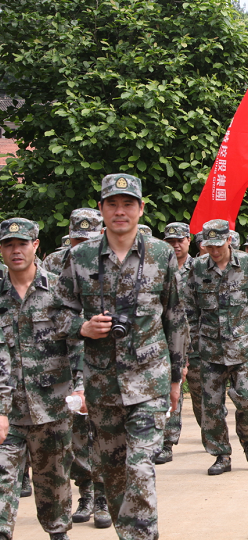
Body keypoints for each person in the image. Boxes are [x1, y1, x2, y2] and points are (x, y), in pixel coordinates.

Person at [57, 173, 188, 539]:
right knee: (112, 473)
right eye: (112, 204)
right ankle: (130, 533)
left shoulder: (161, 254)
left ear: (140, 208)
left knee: (140, 466)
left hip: (150, 382)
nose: (120, 211)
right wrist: (82, 328)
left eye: (127, 204)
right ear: (101, 209)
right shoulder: (79, 257)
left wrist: (176, 378)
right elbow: (58, 313)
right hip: (102, 385)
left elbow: (175, 318)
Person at [0, 218, 81, 540]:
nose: (15, 250)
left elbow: (77, 342)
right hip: (8, 413)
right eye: (8, 244)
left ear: (36, 245)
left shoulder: (59, 290)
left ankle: (58, 533)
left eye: (22, 244)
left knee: (53, 483)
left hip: (52, 407)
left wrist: (81, 387)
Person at [186, 219, 248, 475]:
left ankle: (247, 438)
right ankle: (221, 455)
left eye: (219, 245)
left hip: (243, 351)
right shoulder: (197, 268)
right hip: (209, 352)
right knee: (212, 408)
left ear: (229, 240)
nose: (215, 252)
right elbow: (188, 309)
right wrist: (190, 345)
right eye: (210, 246)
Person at [39, 208, 111, 527]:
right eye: (77, 239)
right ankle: (86, 492)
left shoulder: (111, 264)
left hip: (100, 356)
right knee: (74, 431)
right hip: (61, 355)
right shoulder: (53, 263)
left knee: (103, 427)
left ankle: (105, 495)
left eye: (89, 239)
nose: (82, 245)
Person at [156, 222, 194, 465]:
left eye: (180, 240)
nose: (176, 245)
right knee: (174, 383)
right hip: (168, 336)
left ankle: (210, 431)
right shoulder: (156, 268)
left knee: (201, 397)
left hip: (197, 336)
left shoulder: (199, 267)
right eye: (170, 241)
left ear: (188, 240)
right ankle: (167, 441)